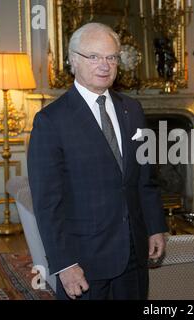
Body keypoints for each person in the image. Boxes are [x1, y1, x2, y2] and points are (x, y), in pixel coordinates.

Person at [28, 23, 167, 300]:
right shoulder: (51, 121)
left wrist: (155, 227)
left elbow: (144, 179)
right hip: (84, 261)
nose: (104, 65)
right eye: (94, 57)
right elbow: (47, 203)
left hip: (132, 253)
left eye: (111, 57)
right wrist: (65, 264)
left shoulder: (133, 109)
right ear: (73, 60)